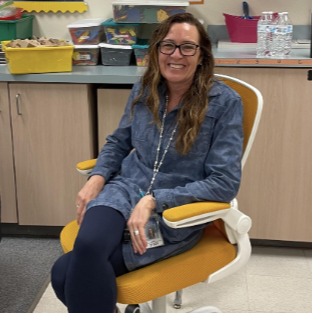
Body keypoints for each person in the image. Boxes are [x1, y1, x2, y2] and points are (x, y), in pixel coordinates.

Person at [51, 13, 244, 313]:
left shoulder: (224, 103)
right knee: (87, 249)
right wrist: (98, 177)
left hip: (173, 214)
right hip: (125, 190)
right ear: (156, 51)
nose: (176, 55)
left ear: (202, 55)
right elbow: (118, 142)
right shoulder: (146, 88)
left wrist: (155, 200)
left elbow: (224, 182)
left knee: (65, 272)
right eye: (168, 45)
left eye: (187, 47)